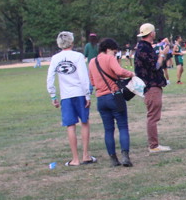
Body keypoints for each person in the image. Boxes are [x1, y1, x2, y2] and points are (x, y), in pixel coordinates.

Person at [47, 31, 96, 166]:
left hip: (66, 96)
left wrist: (53, 95)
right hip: (80, 93)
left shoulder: (55, 58)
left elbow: (50, 78)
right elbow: (83, 77)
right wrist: (87, 94)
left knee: (70, 126)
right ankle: (85, 155)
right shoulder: (78, 56)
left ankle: (75, 159)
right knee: (84, 122)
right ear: (72, 42)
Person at [89, 38, 134, 167]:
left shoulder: (92, 62)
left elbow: (92, 81)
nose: (115, 54)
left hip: (101, 99)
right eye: (114, 52)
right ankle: (125, 156)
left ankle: (113, 158)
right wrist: (131, 74)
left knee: (108, 130)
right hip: (114, 96)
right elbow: (119, 71)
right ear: (108, 49)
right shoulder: (109, 58)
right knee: (123, 126)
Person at [133, 22, 172, 153]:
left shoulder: (143, 47)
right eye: (154, 31)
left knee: (153, 115)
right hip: (151, 86)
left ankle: (154, 144)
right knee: (153, 116)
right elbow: (155, 66)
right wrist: (162, 55)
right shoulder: (145, 48)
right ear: (151, 33)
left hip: (150, 85)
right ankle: (154, 145)